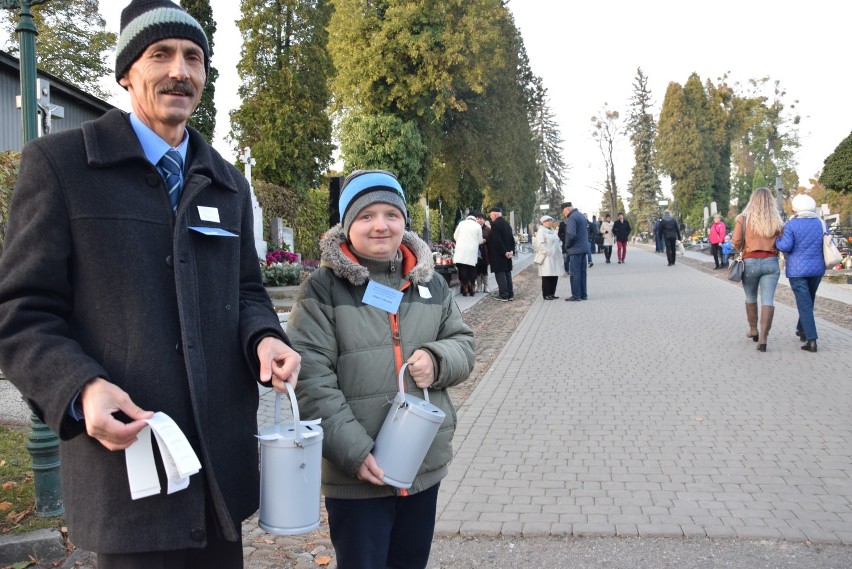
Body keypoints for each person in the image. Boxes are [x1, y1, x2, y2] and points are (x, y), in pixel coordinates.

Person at [0, 1, 301, 566]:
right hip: (128, 475)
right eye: (159, 54)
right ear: (126, 72)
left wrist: (265, 338)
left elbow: (249, 293)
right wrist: (80, 388)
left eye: (193, 58)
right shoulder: (62, 167)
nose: (179, 72)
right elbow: (20, 311)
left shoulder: (226, 182)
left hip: (217, 474)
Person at [286, 170, 475, 569]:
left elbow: (463, 344)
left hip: (422, 462)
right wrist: (355, 452)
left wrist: (438, 359)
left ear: (404, 221)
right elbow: (311, 379)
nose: (380, 225)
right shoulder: (322, 289)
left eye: (391, 213)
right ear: (347, 224)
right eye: (366, 215)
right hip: (358, 475)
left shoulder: (431, 285)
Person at [732, 186, 784, 352]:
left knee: (750, 296)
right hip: (771, 262)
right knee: (768, 300)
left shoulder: (743, 218)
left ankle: (753, 329)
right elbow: (783, 241)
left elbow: (736, 240)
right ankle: (763, 339)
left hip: (750, 262)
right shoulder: (775, 220)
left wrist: (742, 249)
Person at [775, 194, 825, 353]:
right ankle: (801, 328)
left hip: (797, 270)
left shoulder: (791, 225)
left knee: (804, 303)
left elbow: (786, 246)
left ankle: (811, 340)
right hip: (817, 268)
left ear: (795, 208)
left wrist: (777, 240)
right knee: (808, 300)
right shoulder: (820, 223)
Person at [560, 201, 590, 301]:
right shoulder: (581, 215)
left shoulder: (572, 218)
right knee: (582, 273)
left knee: (574, 273)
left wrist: (567, 245)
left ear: (567, 209)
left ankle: (576, 295)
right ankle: (583, 294)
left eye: (563, 212)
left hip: (575, 249)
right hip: (583, 248)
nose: (564, 215)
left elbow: (571, 234)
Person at [486, 207, 516, 301]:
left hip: (499, 255)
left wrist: (504, 252)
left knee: (500, 274)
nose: (491, 218)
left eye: (491, 216)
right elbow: (512, 238)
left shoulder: (495, 224)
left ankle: (503, 294)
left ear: (494, 215)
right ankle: (510, 294)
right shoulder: (507, 224)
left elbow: (497, 240)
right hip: (507, 253)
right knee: (507, 273)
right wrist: (511, 250)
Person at [452, 213, 483, 297]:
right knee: (472, 268)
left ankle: (465, 288)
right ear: (474, 219)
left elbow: (455, 236)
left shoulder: (461, 224)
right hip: (472, 250)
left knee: (463, 268)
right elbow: (480, 240)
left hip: (461, 249)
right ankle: (472, 288)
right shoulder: (477, 226)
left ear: (467, 218)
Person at [534, 215, 561, 299]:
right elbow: (540, 244)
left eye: (550, 221)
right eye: (547, 221)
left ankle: (552, 293)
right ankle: (546, 294)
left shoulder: (552, 231)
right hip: (546, 257)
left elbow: (557, 241)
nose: (550, 222)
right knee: (547, 276)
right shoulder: (541, 231)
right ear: (543, 222)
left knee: (554, 275)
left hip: (554, 256)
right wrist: (548, 252)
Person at [475, 214, 491, 293]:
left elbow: (491, 240)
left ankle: (486, 286)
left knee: (485, 270)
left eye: (481, 219)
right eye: (478, 219)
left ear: (483, 220)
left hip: (485, 252)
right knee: (477, 270)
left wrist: (485, 241)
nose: (479, 220)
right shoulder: (473, 228)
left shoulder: (487, 229)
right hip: (476, 252)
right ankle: (479, 286)